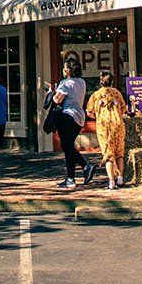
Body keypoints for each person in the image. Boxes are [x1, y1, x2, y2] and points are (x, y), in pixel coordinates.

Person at [49, 56, 91, 189]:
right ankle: (78, 172)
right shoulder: (82, 82)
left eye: (65, 67)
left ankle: (76, 174)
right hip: (80, 117)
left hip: (67, 116)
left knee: (67, 146)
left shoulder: (66, 83)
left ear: (68, 70)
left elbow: (57, 100)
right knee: (68, 146)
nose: (63, 69)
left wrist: (52, 92)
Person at [87, 71, 129, 189]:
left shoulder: (96, 95)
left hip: (103, 126)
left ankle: (111, 181)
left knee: (108, 153)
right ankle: (120, 178)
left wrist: (98, 117)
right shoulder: (117, 93)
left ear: (100, 81)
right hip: (118, 125)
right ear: (112, 81)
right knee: (119, 152)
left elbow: (89, 112)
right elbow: (123, 109)